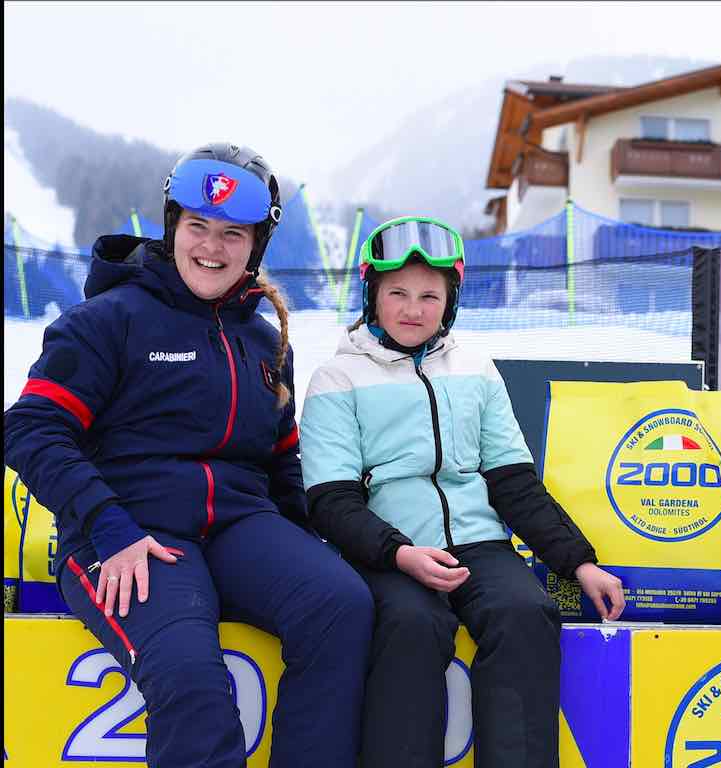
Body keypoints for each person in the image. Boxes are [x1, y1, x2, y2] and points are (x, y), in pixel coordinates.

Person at [3, 143, 373, 767]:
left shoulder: (261, 339)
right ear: (173, 226)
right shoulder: (108, 320)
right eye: (198, 225)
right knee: (191, 679)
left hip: (236, 528)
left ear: (255, 245)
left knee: (341, 605)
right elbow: (31, 427)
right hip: (127, 535)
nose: (213, 246)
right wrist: (110, 528)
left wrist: (312, 538)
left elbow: (283, 461)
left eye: (233, 233)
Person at [298, 215, 626, 768]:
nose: (412, 308)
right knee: (411, 625)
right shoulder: (338, 379)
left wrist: (579, 563)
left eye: (430, 295)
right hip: (388, 552)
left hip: (478, 546)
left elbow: (513, 482)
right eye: (396, 292)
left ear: (449, 301)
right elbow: (330, 501)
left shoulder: (475, 370)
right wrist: (398, 553)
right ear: (371, 295)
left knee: (526, 612)